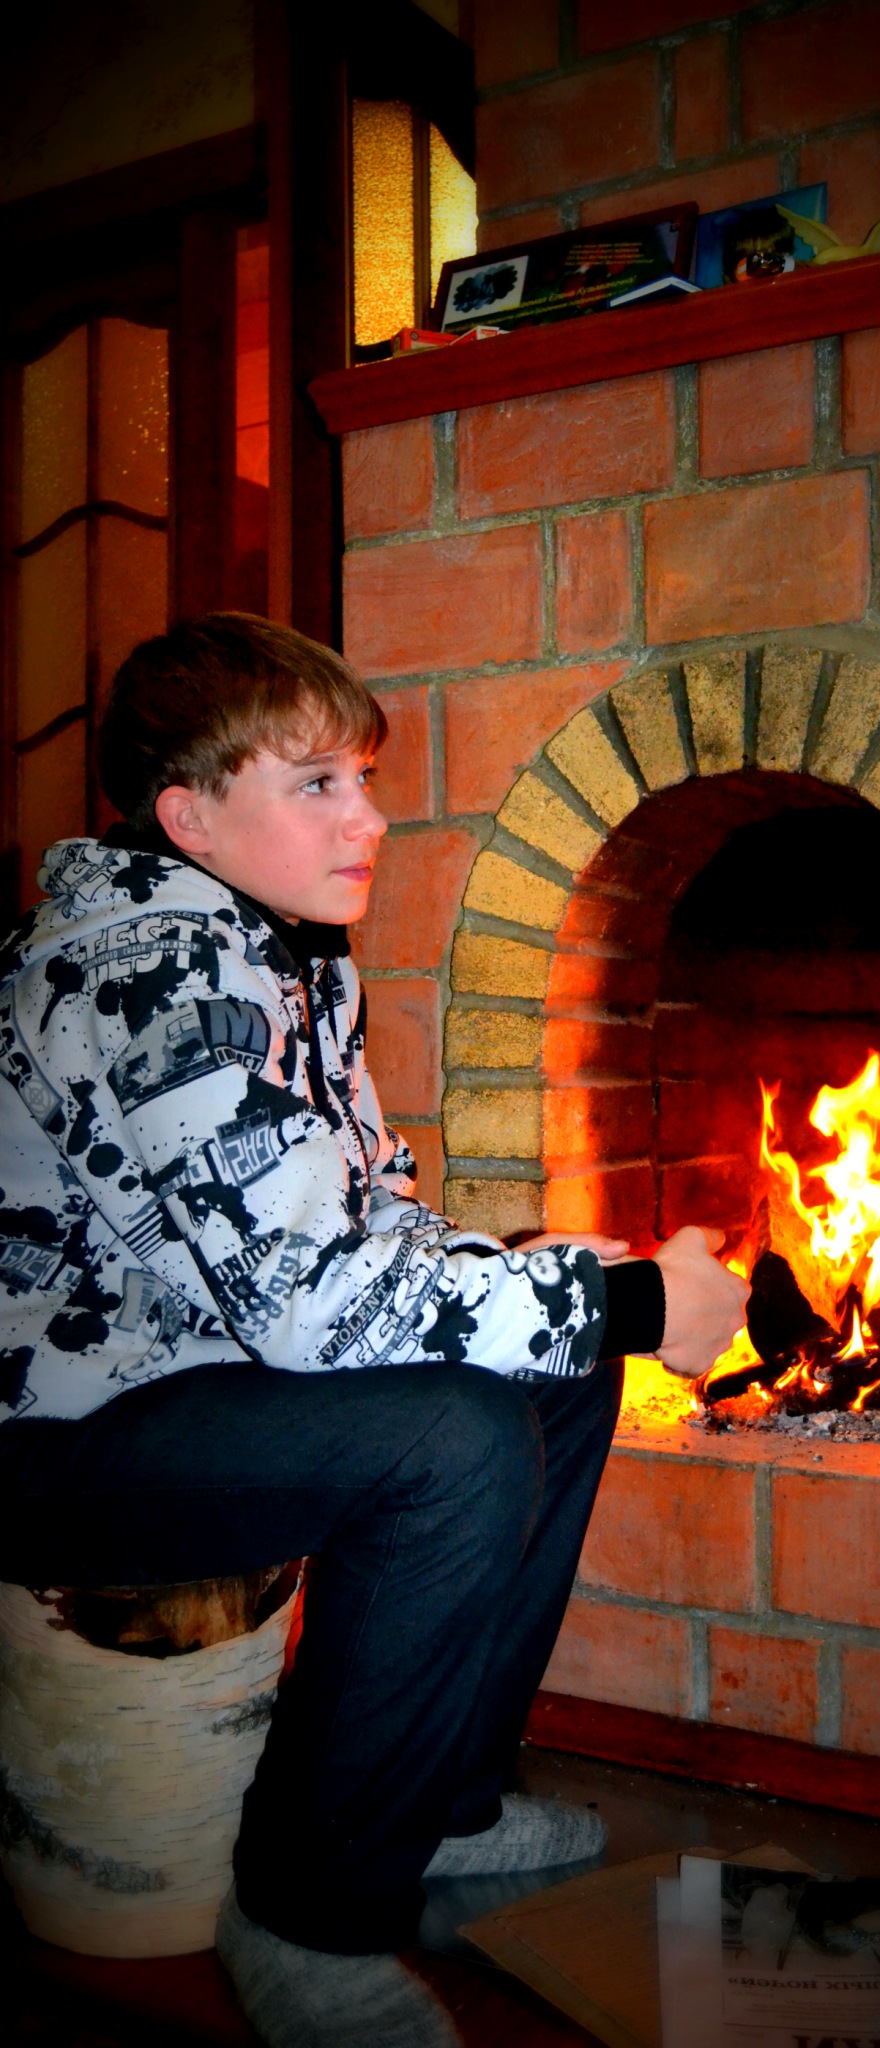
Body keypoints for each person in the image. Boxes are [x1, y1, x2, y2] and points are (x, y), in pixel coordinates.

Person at [0, 614, 747, 2048]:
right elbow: (307, 1304)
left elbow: (359, 1223)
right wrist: (641, 1300)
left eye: (365, 778)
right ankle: (305, 1914)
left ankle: (441, 1801)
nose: (372, 818)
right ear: (189, 817)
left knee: (557, 1365)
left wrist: (555, 1284)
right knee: (453, 1437)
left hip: (187, 1373)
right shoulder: (155, 968)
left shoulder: (284, 950)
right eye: (317, 784)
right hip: (56, 1432)